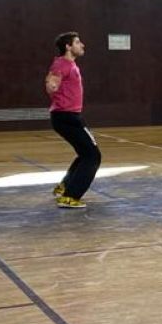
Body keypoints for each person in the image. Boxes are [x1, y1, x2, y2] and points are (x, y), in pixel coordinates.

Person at [45, 32, 102, 210]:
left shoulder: (69, 64)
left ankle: (65, 187)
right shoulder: (62, 63)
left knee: (85, 154)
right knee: (93, 156)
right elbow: (51, 82)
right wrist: (51, 85)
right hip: (66, 117)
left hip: (70, 116)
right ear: (68, 47)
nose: (82, 45)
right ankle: (70, 196)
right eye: (77, 42)